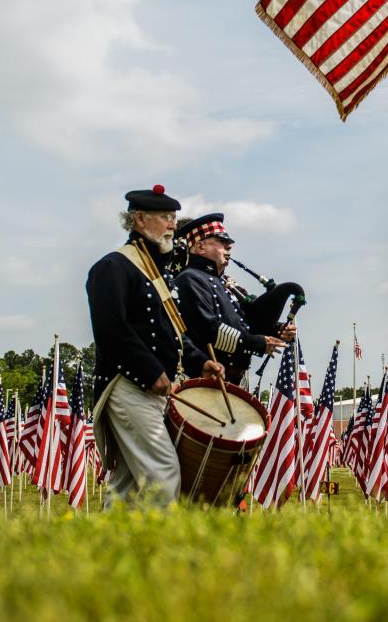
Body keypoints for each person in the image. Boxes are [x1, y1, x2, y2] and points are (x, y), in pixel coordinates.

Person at [85, 185, 223, 507]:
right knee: (163, 471)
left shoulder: (155, 271)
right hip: (127, 384)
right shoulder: (114, 266)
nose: (173, 224)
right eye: (165, 217)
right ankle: (159, 552)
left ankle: (107, 547)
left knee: (130, 484)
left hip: (148, 386)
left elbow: (171, 333)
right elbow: (110, 329)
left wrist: (199, 361)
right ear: (140, 219)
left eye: (173, 217)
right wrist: (150, 372)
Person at [171, 213, 298, 386]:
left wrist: (276, 330)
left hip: (231, 379)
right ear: (200, 247)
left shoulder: (221, 282)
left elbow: (244, 323)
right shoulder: (190, 278)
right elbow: (208, 330)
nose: (229, 246)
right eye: (221, 242)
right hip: (206, 378)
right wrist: (257, 343)